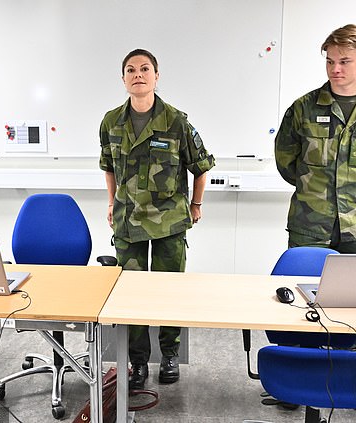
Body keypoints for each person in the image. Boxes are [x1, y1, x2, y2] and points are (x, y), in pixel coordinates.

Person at [99, 49, 215, 389]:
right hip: (128, 221)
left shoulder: (177, 120)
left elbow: (201, 167)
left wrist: (196, 204)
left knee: (169, 292)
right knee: (131, 295)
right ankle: (137, 362)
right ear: (123, 79)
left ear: (156, 76)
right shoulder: (110, 121)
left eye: (145, 68)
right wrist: (111, 202)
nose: (138, 74)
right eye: (131, 70)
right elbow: (108, 165)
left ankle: (169, 354)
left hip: (169, 222)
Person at [275, 24, 356, 254]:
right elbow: (286, 161)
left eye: (344, 61)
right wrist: (316, 185)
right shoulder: (303, 109)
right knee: (304, 286)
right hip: (310, 224)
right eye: (330, 61)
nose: (335, 69)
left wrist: (350, 185)